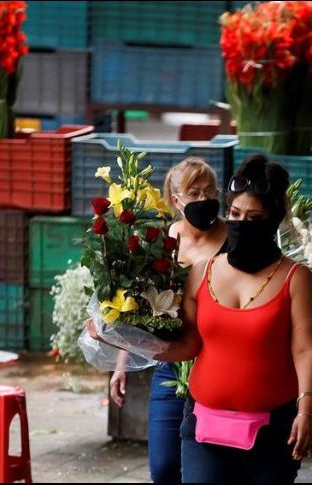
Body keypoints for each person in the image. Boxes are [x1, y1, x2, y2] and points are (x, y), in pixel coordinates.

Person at [153, 154, 312, 483]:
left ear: (273, 220)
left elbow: (307, 350)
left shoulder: (296, 279)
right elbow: (189, 344)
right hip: (204, 427)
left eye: (254, 217)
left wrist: (307, 411)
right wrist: (128, 338)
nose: (241, 223)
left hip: (273, 431)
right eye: (234, 213)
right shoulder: (203, 272)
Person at [109, 157, 227, 484]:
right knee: (162, 467)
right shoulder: (161, 241)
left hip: (218, 365)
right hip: (170, 364)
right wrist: (122, 363)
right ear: (176, 200)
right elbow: (138, 308)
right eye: (194, 192)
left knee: (206, 469)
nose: (204, 200)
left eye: (209, 191)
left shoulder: (234, 239)